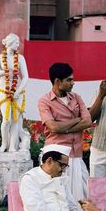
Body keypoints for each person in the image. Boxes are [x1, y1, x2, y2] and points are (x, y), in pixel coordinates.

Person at [38, 63, 92, 203]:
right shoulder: (44, 101)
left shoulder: (76, 98)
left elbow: (87, 122)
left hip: (76, 154)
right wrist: (76, 120)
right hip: (56, 156)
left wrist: (64, 127)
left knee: (84, 193)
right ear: (57, 81)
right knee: (57, 196)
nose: (73, 83)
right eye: (69, 80)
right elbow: (53, 127)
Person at [0, 33, 29, 153]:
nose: (18, 45)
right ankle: (4, 144)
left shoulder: (21, 58)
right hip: (4, 91)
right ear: (10, 43)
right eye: (16, 42)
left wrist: (18, 91)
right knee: (6, 120)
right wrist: (5, 72)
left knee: (15, 120)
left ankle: (12, 146)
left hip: (18, 92)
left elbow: (26, 77)